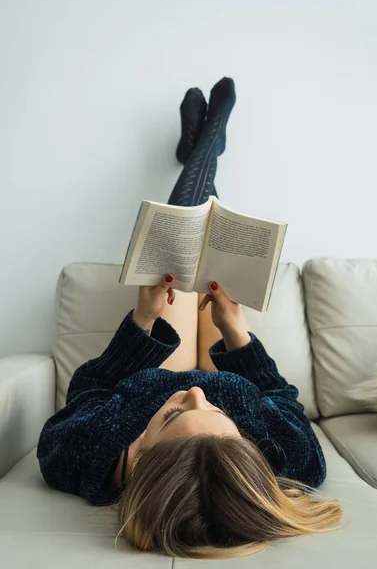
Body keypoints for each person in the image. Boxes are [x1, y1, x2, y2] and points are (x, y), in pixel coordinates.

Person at [36, 78, 342, 560]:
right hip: (229, 367)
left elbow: (88, 391)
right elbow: (280, 397)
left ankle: (204, 147)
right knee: (212, 260)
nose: (198, 393)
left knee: (177, 253)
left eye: (175, 415)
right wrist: (237, 336)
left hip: (155, 367)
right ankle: (205, 148)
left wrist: (142, 321)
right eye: (222, 420)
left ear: (137, 459)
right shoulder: (293, 459)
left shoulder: (78, 456)